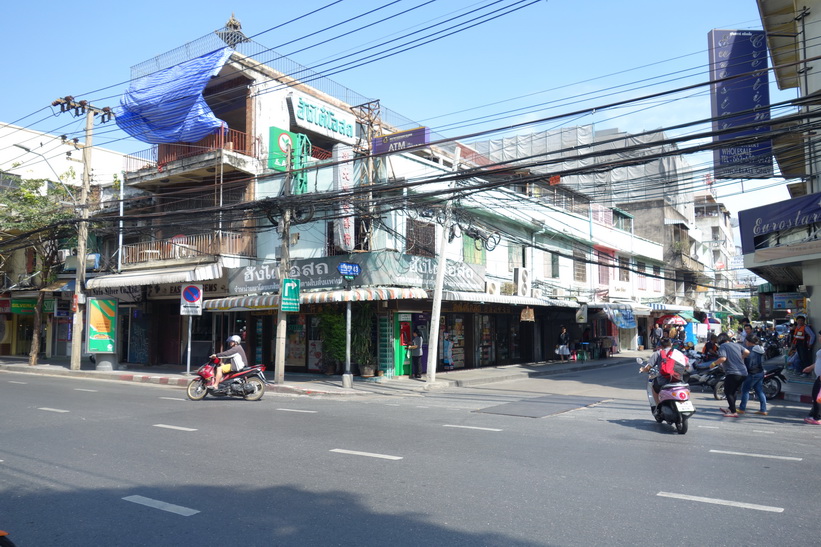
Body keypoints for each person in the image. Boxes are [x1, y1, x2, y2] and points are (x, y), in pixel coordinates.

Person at [640, 338, 686, 411]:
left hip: (664, 380)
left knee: (654, 387)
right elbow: (687, 366)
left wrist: (643, 369)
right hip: (678, 379)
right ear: (671, 344)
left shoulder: (658, 353)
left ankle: (658, 407)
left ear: (660, 346)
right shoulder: (678, 353)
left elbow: (648, 367)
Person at [711, 332, 750, 417]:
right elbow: (747, 352)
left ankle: (733, 412)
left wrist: (713, 364)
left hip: (733, 372)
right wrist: (741, 358)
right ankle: (730, 408)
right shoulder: (737, 345)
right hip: (743, 372)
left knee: (728, 392)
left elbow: (723, 358)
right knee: (733, 391)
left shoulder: (723, 346)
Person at [738, 335, 767, 416]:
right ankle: (763, 409)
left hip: (752, 373)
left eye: (746, 341)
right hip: (760, 372)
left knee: (745, 390)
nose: (745, 342)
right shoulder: (760, 349)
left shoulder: (749, 350)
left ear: (750, 342)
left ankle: (742, 408)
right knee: (759, 391)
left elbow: (748, 363)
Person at [802, 337, 821, 425]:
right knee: (816, 396)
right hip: (819, 377)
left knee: (817, 397)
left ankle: (817, 418)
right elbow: (818, 361)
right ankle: (815, 415)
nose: (819, 338)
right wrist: (810, 367)